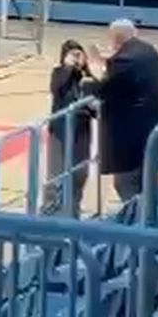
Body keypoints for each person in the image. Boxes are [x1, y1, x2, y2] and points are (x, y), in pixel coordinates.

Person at [88, 18, 158, 203]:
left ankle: (136, 217)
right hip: (152, 129)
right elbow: (122, 71)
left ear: (115, 38)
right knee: (146, 182)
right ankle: (145, 214)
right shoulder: (147, 50)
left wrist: (93, 69)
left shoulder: (124, 60)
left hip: (133, 138)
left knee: (126, 184)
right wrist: (104, 61)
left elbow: (104, 88)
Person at [43, 39, 95, 216]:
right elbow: (57, 89)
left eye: (79, 54)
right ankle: (51, 211)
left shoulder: (87, 77)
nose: (77, 58)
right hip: (60, 131)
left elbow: (96, 104)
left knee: (79, 174)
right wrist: (67, 68)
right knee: (56, 174)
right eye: (72, 54)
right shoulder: (59, 73)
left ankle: (73, 210)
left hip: (81, 132)